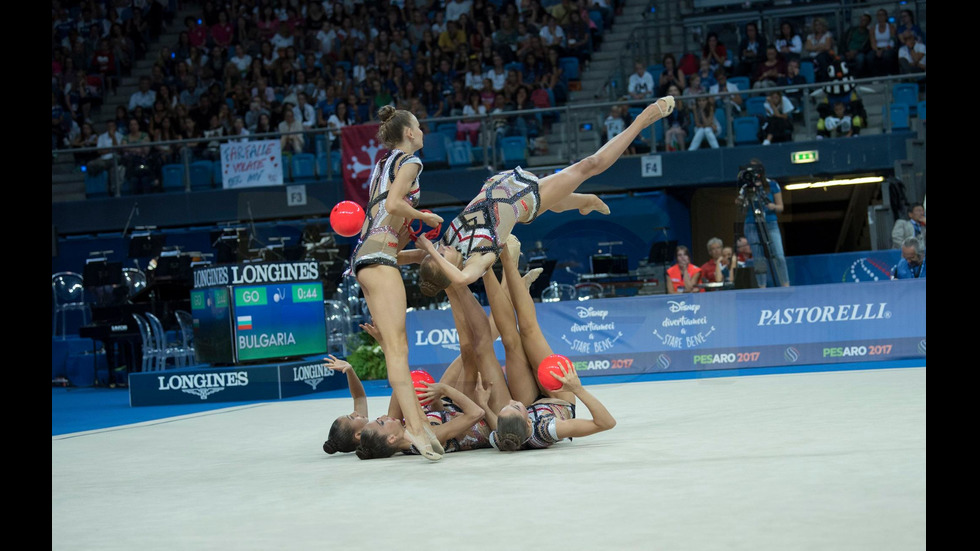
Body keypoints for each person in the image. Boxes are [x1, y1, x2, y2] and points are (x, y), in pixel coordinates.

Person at [414, 96, 676, 291]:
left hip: (502, 184)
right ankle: (644, 119)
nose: (438, 248)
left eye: (434, 251)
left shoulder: (446, 244)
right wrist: (432, 251)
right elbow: (461, 279)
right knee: (589, 165)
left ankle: (583, 202)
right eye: (438, 255)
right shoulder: (477, 260)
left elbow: (402, 257)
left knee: (556, 201)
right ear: (448, 265)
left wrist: (412, 251)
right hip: (524, 197)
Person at [345, 105, 446, 461]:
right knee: (398, 348)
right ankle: (416, 428)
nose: (422, 132)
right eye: (418, 127)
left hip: (366, 259)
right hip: (377, 259)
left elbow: (379, 230)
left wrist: (416, 255)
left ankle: (418, 423)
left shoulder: (380, 166)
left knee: (394, 347)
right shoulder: (412, 163)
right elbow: (393, 204)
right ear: (408, 133)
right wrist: (424, 215)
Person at [481, 237, 617, 451]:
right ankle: (508, 259)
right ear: (527, 423)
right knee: (528, 330)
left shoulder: (500, 438)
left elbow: (497, 420)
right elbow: (606, 423)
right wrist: (578, 390)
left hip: (531, 402)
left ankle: (485, 267)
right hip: (558, 397)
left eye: (505, 408)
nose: (510, 402)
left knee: (509, 340)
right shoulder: (548, 429)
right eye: (514, 407)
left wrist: (484, 406)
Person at [737, 159, 789, 288]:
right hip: (752, 224)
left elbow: (781, 207)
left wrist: (772, 206)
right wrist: (740, 201)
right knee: (759, 258)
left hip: (770, 223)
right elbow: (741, 208)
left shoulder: (772, 185)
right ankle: (762, 287)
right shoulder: (746, 188)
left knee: (778, 255)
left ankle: (785, 285)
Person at [842, 12, 873, 78]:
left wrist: (856, 52)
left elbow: (867, 47)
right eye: (862, 19)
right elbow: (843, 42)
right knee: (840, 59)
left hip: (859, 52)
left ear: (868, 23)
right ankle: (844, 77)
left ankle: (855, 77)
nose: (862, 21)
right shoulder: (851, 30)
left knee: (860, 59)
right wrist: (846, 52)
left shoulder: (868, 34)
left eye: (865, 20)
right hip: (847, 51)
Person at [870, 9, 898, 76]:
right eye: (879, 15)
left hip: (888, 48)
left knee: (887, 55)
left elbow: (892, 41)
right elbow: (873, 41)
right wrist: (877, 50)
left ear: (886, 16)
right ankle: (875, 76)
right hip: (877, 48)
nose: (880, 17)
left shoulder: (891, 27)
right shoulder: (873, 29)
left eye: (882, 15)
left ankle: (889, 74)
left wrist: (883, 49)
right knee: (870, 56)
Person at [662, 84, 690, 152]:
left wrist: (680, 127)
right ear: (668, 94)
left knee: (678, 132)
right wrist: (670, 128)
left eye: (675, 90)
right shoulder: (665, 107)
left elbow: (687, 120)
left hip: (682, 128)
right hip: (670, 128)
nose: (673, 93)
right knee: (668, 133)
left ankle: (682, 152)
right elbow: (665, 121)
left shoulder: (684, 104)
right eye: (671, 91)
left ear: (678, 92)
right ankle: (668, 153)